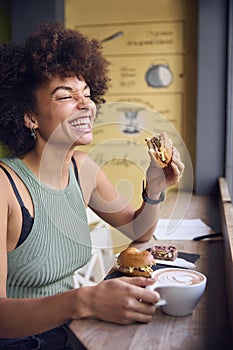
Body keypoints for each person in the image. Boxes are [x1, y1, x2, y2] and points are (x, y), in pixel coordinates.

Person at [0, 22, 185, 349]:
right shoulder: (5, 186)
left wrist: (154, 186)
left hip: (75, 332)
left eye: (86, 94)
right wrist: (85, 301)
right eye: (65, 96)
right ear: (29, 116)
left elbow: (138, 232)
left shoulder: (82, 167)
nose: (85, 105)